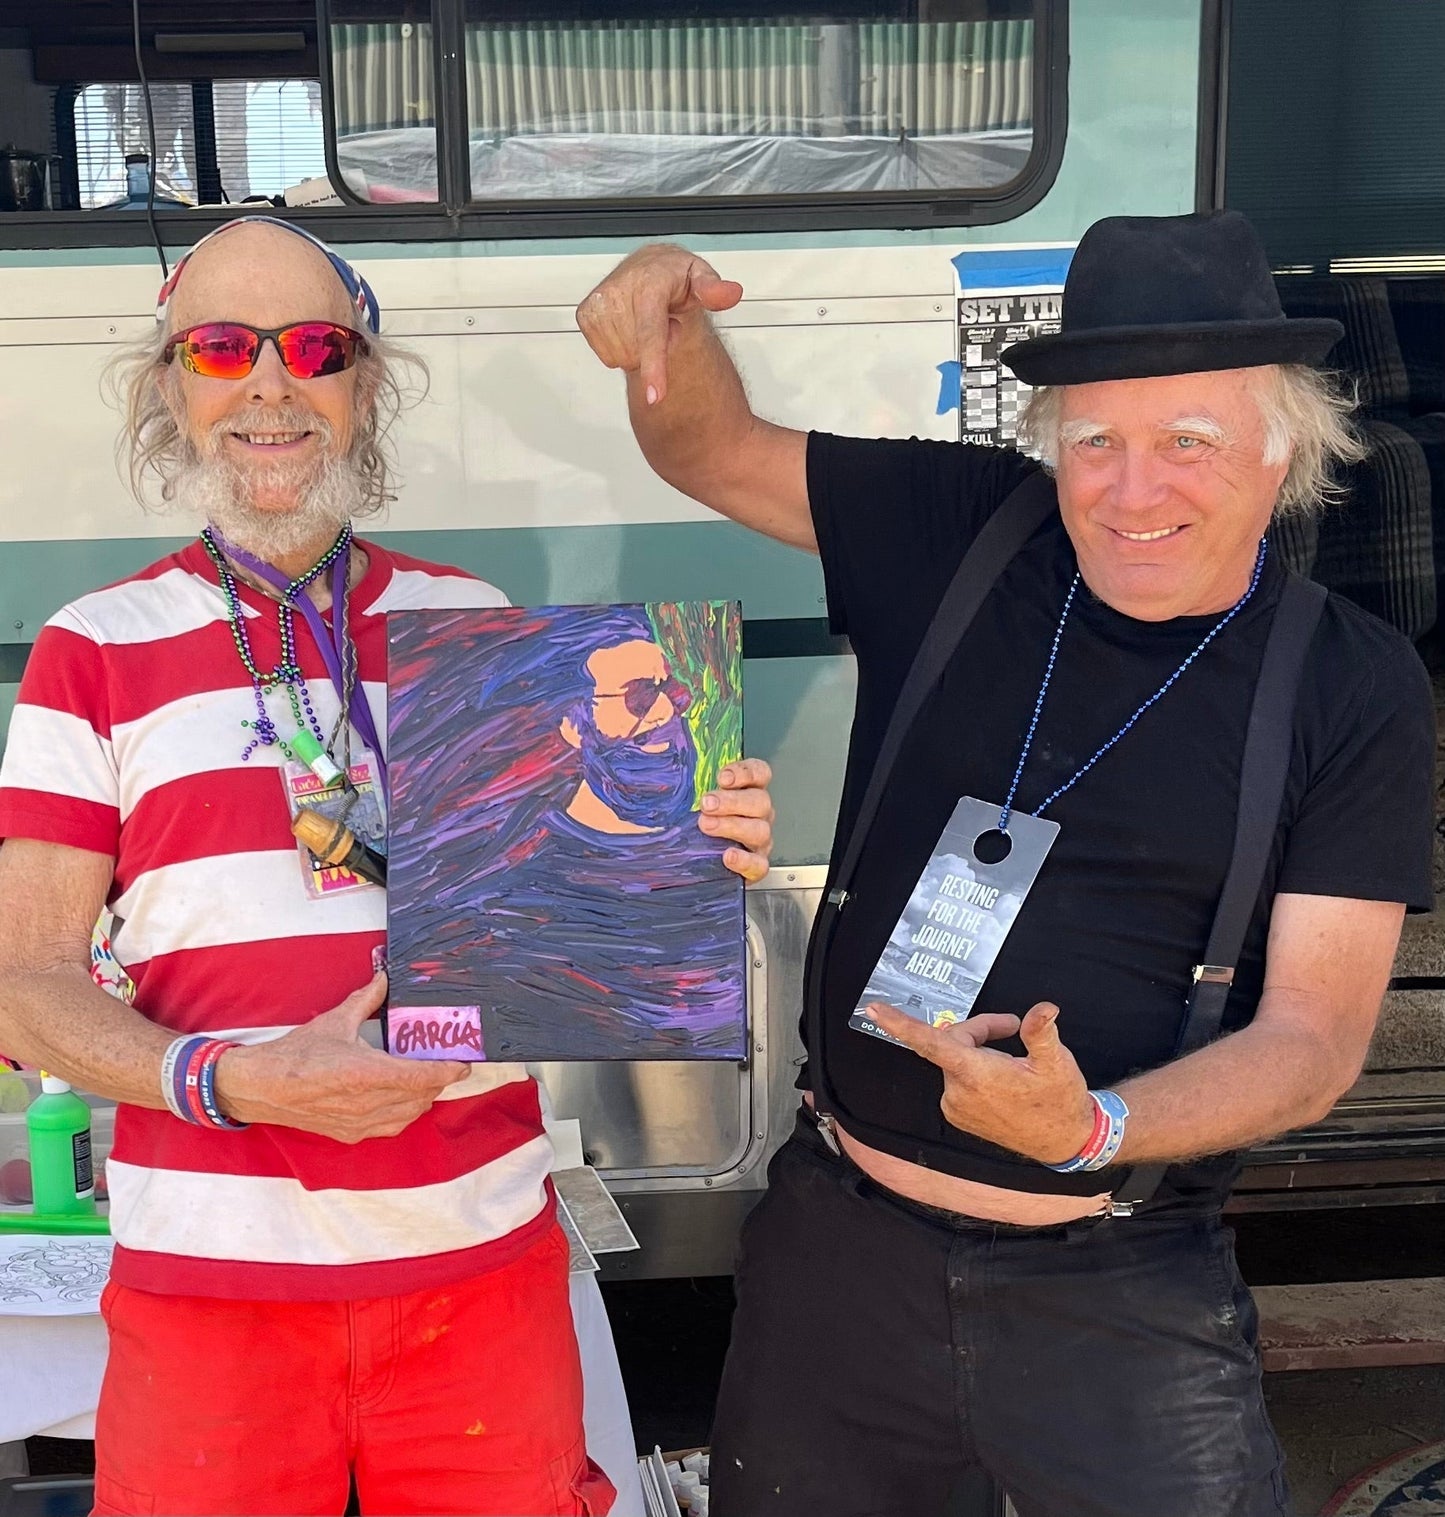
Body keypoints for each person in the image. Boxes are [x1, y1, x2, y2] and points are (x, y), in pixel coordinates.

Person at [577, 210, 1436, 1516]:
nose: (1131, 491)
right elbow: (709, 445)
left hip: (1119, 1284)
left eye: (1185, 443)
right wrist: (665, 327)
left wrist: (1098, 1125)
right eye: (1095, 440)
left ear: (1282, 452)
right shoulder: (964, 528)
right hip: (837, 1259)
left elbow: (1313, 1038)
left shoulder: (1348, 685)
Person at [0, 215, 777, 1517]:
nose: (268, 385)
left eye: (314, 348)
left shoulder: (470, 626)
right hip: (212, 1297)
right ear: (169, 387)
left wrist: (690, 841)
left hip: (479, 1270)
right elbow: (23, 985)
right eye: (220, 350)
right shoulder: (94, 647)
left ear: (364, 387)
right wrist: (233, 1078)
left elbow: (577, 919)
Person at [388, 602, 747, 1059]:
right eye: (637, 694)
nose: (662, 714)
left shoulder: (718, 860)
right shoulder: (504, 906)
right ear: (573, 724)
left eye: (669, 691)